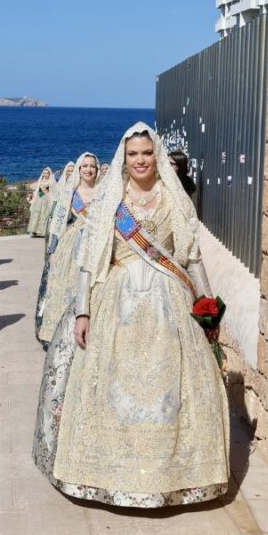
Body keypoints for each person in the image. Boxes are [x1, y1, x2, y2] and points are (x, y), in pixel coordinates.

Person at [41, 122, 229, 508]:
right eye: (133, 154)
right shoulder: (112, 201)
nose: (140, 160)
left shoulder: (173, 199)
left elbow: (191, 257)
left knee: (169, 391)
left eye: (146, 153)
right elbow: (90, 260)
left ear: (156, 156)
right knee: (114, 390)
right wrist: (82, 311)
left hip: (168, 302)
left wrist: (207, 306)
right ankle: (110, 474)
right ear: (123, 159)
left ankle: (171, 477)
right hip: (117, 300)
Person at [35, 153, 99, 348]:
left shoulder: (103, 192)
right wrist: (53, 250)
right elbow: (58, 223)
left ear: (97, 170)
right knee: (65, 290)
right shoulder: (71, 192)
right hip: (70, 246)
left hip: (94, 245)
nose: (88, 169)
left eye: (92, 166)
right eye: (85, 166)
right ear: (79, 169)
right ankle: (59, 333)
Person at [26, 168, 53, 237]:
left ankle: (42, 232)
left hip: (46, 200)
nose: (45, 174)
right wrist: (32, 197)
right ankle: (34, 231)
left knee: (44, 215)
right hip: (38, 199)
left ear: (49, 174)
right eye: (44, 173)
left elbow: (52, 191)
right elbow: (37, 190)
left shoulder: (51, 181)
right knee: (36, 215)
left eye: (46, 173)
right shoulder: (41, 180)